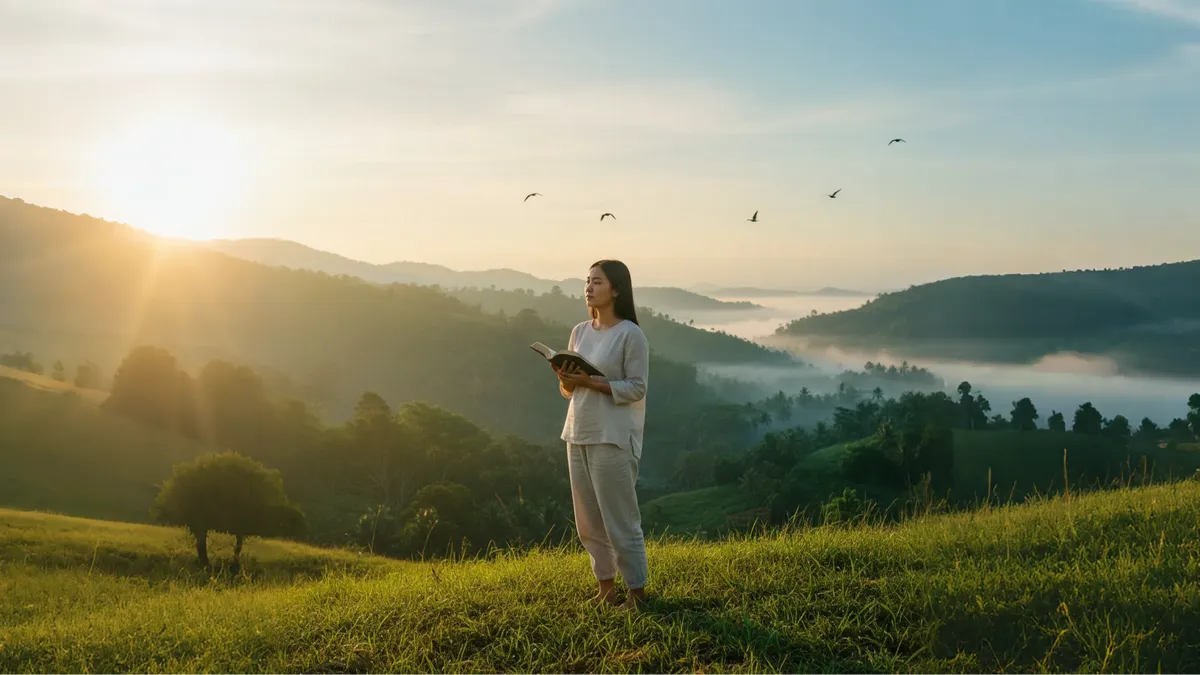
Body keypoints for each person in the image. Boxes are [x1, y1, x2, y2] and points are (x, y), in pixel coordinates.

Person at [553, 259, 650, 610]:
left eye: (597, 282)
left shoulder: (630, 334)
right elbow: (570, 391)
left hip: (612, 436)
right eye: (587, 281)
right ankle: (606, 590)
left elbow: (637, 388)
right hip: (578, 431)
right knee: (588, 521)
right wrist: (566, 379)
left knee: (620, 520)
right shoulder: (579, 331)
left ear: (617, 290)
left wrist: (590, 381)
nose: (589, 288)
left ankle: (637, 595)